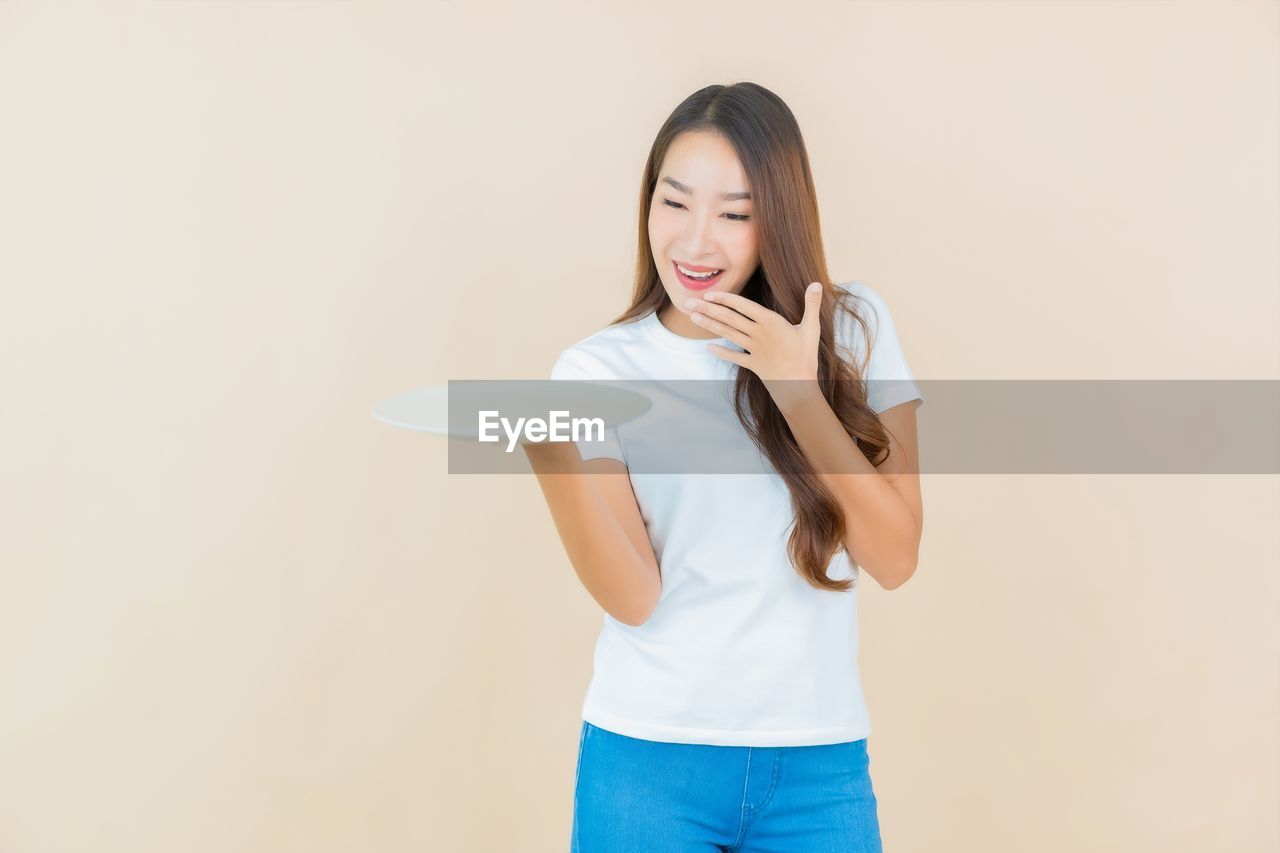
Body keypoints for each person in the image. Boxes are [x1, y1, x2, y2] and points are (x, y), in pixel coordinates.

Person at [524, 82, 924, 853]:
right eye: (674, 203)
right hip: (647, 762)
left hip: (818, 766)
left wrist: (796, 392)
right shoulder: (598, 368)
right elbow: (635, 595)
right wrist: (554, 461)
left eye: (735, 214)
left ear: (780, 217)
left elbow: (896, 556)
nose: (696, 242)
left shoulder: (855, 331)